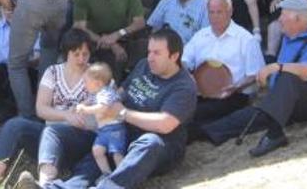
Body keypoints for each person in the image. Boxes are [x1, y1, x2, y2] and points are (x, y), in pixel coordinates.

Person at [27, 28, 197, 189]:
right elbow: (121, 92)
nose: (150, 57)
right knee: (84, 152)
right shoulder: (144, 66)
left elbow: (165, 124)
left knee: (149, 142)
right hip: (121, 133)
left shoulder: (183, 86)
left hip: (158, 146)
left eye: (157, 53)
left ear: (174, 56)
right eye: (149, 51)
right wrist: (99, 102)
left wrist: (122, 113)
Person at [200, 0, 307, 158]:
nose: (280, 19)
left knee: (288, 77)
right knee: (245, 117)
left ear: (297, 18)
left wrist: (277, 67)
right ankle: (201, 132)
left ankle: (275, 135)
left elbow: (305, 72)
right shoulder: (288, 39)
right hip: (284, 101)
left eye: (283, 14)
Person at [0, 29, 92, 189]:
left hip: (80, 138)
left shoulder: (96, 74)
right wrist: (66, 115)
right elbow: (41, 109)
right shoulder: (53, 72)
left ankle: (44, 185)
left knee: (55, 132)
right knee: (14, 126)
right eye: (76, 54)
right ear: (67, 53)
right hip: (49, 136)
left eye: (85, 54)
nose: (81, 59)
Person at [183, 0, 264, 133]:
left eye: (219, 12)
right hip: (200, 92)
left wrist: (236, 86)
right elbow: (183, 60)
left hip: (233, 94)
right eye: (211, 12)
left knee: (195, 114)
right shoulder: (200, 35)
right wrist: (188, 75)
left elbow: (256, 75)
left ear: (230, 12)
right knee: (180, 107)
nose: (214, 17)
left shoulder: (245, 39)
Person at [75, 63, 126, 178]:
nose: (84, 85)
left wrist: (86, 109)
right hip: (103, 131)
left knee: (116, 153)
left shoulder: (106, 93)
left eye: (86, 82)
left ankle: (122, 176)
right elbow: (88, 101)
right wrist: (80, 106)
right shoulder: (95, 94)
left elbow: (103, 108)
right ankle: (106, 174)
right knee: (97, 150)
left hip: (114, 129)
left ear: (97, 83)